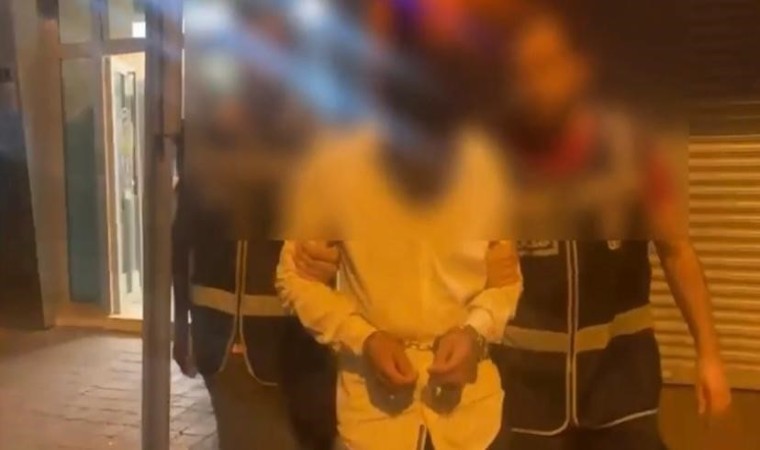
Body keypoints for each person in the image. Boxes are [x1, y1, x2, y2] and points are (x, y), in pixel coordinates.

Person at [291, 6, 733, 450]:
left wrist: (709, 355)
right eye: (523, 71)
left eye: (549, 65)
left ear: (583, 69)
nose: (536, 84)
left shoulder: (631, 154)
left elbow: (677, 251)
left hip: (622, 388)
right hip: (528, 395)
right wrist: (328, 254)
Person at [275, 3, 523, 449]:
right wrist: (363, 338)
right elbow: (294, 278)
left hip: (472, 421)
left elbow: (506, 281)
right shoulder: (334, 167)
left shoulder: (485, 168)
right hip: (373, 418)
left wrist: (475, 331)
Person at [172, 3, 336, 449]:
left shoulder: (316, 139)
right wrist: (181, 324)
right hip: (221, 341)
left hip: (297, 346)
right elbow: (182, 235)